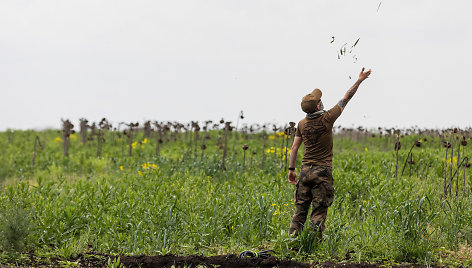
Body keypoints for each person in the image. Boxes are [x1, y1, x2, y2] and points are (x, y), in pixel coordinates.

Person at [287, 67, 372, 238]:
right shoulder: (328, 118)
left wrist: (291, 170)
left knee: (300, 211)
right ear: (319, 105)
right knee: (318, 211)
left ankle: (291, 243)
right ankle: (312, 245)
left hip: (304, 171)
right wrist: (360, 80)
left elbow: (294, 148)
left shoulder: (302, 123)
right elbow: (346, 98)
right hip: (322, 172)